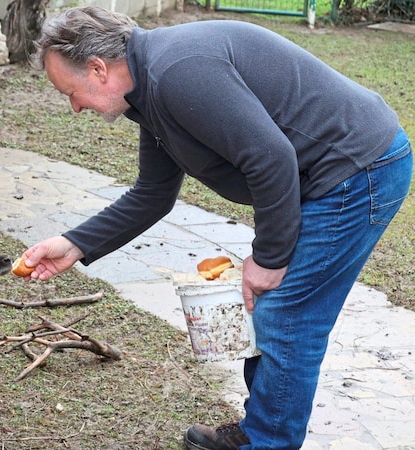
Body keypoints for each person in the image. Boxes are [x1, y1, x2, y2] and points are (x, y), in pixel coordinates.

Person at [21, 6, 412, 450]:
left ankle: (266, 442)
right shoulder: (148, 89)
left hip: (359, 170)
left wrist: (268, 259)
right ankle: (260, 431)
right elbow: (152, 192)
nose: (74, 107)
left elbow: (270, 158)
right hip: (331, 172)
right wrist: (75, 244)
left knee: (286, 316)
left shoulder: (178, 72)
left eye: (71, 92)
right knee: (273, 311)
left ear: (97, 69)